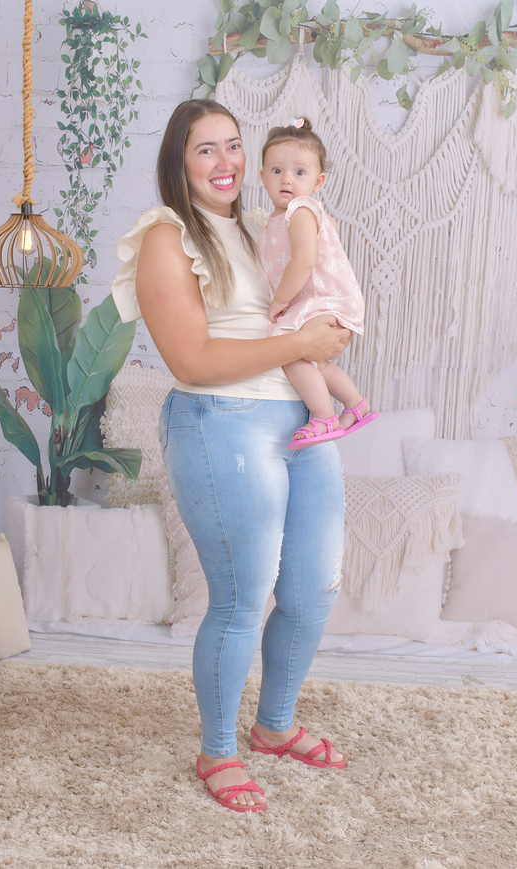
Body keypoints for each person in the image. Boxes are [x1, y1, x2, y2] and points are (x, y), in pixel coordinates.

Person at [109, 99, 352, 814]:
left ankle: (275, 726)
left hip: (300, 418)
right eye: (206, 149)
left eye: (234, 145)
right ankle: (218, 750)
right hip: (224, 421)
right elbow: (191, 358)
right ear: (179, 162)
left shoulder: (263, 224)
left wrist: (329, 331)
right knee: (243, 598)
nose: (226, 163)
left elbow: (304, 303)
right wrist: (302, 344)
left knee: (312, 591)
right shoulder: (167, 236)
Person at [259, 117, 376, 448]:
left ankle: (324, 417)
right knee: (315, 361)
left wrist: (280, 301)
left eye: (300, 172)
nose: (287, 179)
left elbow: (304, 261)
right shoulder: (280, 218)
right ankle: (356, 405)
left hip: (326, 298)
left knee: (289, 351)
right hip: (321, 299)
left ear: (318, 181)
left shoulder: (300, 210)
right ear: (262, 176)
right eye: (277, 170)